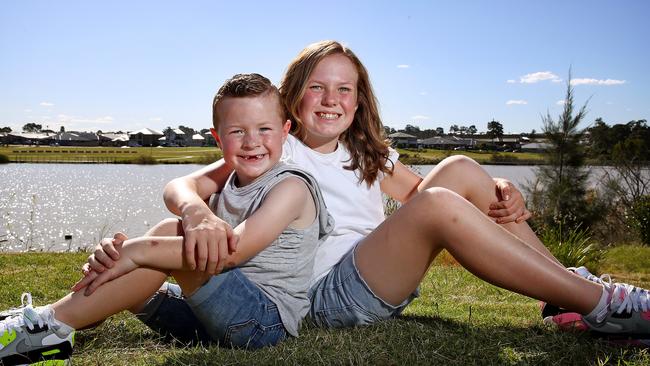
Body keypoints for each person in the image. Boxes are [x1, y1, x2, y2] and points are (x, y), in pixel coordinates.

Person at [91, 41, 649, 341]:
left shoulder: (367, 155)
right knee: (437, 203)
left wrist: (497, 190)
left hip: (371, 271)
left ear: (359, 102)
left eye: (345, 89)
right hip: (326, 294)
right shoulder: (278, 147)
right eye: (316, 87)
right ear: (292, 99)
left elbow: (434, 193)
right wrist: (195, 211)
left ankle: (565, 294)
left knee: (459, 169)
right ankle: (602, 305)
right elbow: (182, 183)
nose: (331, 100)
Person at [0, 73, 334, 365]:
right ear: (218, 137)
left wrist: (136, 251)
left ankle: (49, 324)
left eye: (264, 129)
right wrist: (196, 211)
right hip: (212, 318)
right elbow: (177, 187)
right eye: (237, 131)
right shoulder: (232, 170)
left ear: (285, 131)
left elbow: (234, 252)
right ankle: (58, 324)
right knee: (146, 265)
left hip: (263, 325)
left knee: (168, 235)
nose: (252, 142)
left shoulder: (291, 186)